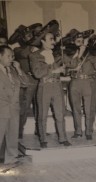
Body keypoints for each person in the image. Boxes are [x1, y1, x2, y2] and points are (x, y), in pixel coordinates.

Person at [29, 20, 71, 148]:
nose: (54, 41)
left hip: (57, 86)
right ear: (42, 41)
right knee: (42, 115)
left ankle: (63, 138)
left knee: (60, 114)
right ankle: (43, 139)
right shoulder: (34, 55)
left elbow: (67, 66)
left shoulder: (56, 54)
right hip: (44, 86)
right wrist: (53, 68)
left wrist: (64, 68)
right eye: (51, 39)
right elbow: (37, 73)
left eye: (53, 39)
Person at [63, 29, 95, 140]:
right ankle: (78, 131)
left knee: (88, 109)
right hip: (75, 82)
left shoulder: (90, 54)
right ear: (73, 42)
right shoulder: (68, 54)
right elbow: (68, 67)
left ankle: (89, 131)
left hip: (87, 82)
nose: (80, 43)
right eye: (78, 41)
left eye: (82, 41)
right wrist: (78, 54)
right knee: (76, 109)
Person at [0, 45, 27, 164]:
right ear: (0, 56)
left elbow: (26, 83)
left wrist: (19, 69)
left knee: (12, 135)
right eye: (8, 56)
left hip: (14, 108)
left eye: (12, 56)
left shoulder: (13, 70)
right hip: (2, 108)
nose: (11, 58)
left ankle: (11, 158)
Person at [14, 24, 42, 139]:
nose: (30, 37)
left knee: (39, 105)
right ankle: (19, 132)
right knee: (24, 107)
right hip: (28, 80)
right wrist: (33, 45)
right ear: (22, 39)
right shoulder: (18, 49)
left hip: (39, 78)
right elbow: (25, 53)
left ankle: (39, 130)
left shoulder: (36, 47)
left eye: (31, 35)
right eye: (27, 36)